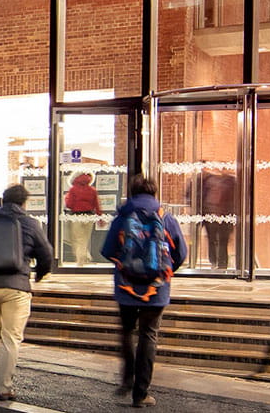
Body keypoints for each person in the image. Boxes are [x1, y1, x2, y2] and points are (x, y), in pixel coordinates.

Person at [101, 175, 188, 408]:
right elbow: (181, 252)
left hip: (126, 286)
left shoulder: (122, 217)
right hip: (155, 288)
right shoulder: (165, 217)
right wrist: (165, 271)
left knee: (127, 331)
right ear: (155, 193)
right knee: (149, 335)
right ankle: (141, 394)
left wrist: (123, 265)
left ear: (131, 192)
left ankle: (127, 377)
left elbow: (107, 249)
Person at [0, 184, 54, 404]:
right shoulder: (31, 224)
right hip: (17, 287)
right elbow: (46, 255)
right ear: (24, 203)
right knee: (11, 337)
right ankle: (3, 387)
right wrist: (38, 276)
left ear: (3, 201)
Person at [196, 169, 238, 271]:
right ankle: (215, 262)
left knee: (222, 241)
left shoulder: (229, 183)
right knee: (213, 240)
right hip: (213, 216)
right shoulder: (210, 181)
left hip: (224, 217)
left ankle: (222, 264)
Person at [62, 172, 101, 264]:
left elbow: (69, 204)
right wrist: (100, 217)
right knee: (85, 238)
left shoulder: (73, 190)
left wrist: (67, 199)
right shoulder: (92, 190)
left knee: (77, 239)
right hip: (89, 216)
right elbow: (97, 205)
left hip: (77, 216)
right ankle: (85, 257)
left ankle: (80, 260)